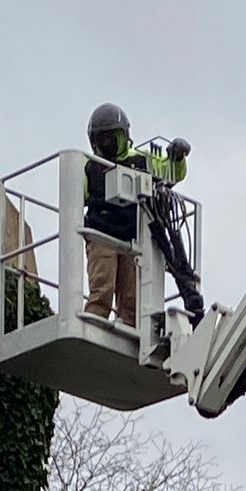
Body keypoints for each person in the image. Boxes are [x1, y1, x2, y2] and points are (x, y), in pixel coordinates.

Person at [83, 102, 191, 325]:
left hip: (133, 236)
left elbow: (171, 172)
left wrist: (178, 156)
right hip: (101, 235)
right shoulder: (88, 166)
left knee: (132, 295)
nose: (106, 143)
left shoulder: (141, 160)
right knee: (102, 287)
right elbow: (74, 198)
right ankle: (94, 323)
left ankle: (129, 328)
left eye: (110, 137)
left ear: (123, 136)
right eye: (101, 138)